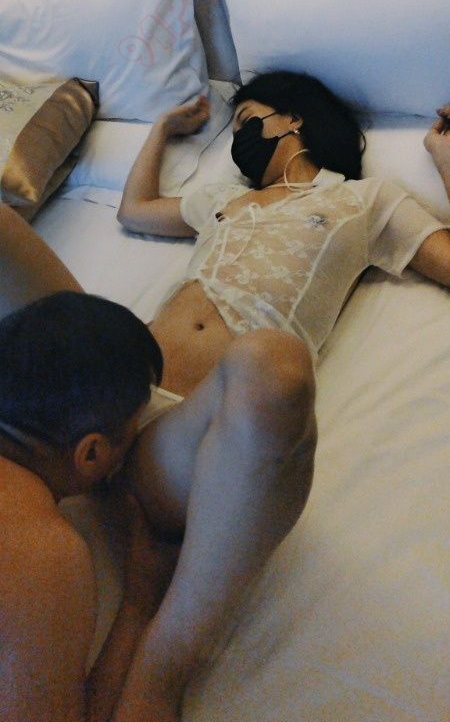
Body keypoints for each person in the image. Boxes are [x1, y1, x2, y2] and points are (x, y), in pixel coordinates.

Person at [0, 72, 449, 722]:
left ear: (292, 119)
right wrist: (161, 129)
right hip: (112, 380)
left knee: (274, 365)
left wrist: (443, 161)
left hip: (181, 430)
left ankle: (166, 664)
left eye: (244, 122)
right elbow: (134, 211)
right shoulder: (221, 199)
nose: (238, 139)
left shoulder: (367, 199)